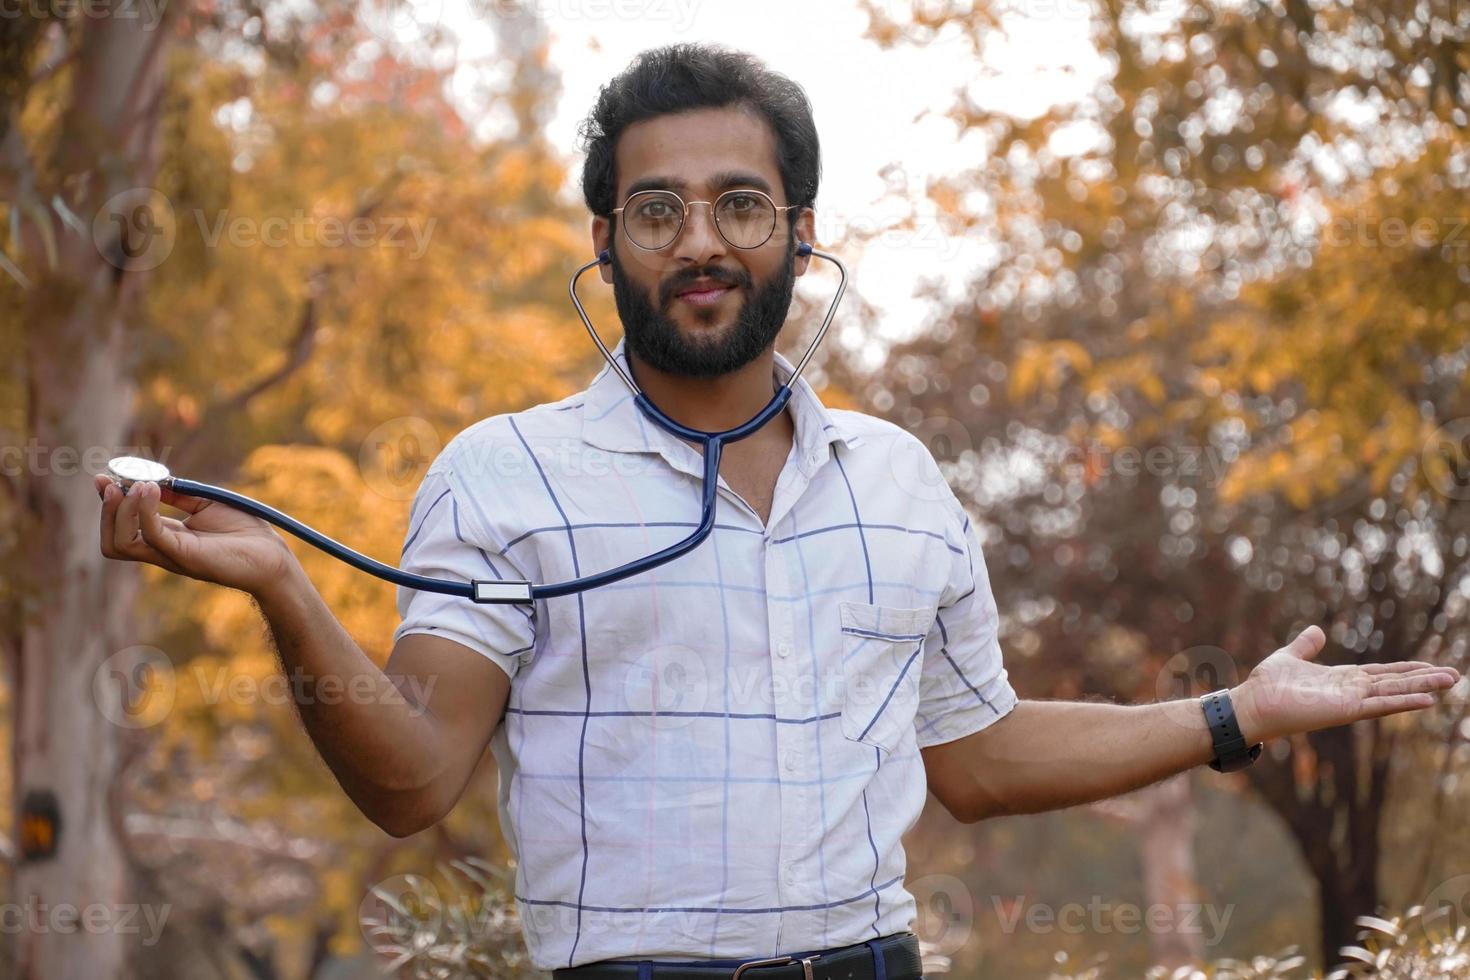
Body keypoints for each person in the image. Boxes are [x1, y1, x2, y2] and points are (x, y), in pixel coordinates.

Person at [95, 43, 1460, 980]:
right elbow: (408, 780)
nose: (700, 242)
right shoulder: (500, 474)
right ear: (605, 244)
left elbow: (976, 759)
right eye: (657, 210)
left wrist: (1234, 716)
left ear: (799, 234)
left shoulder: (900, 481)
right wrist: (283, 584)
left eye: (739, 204)